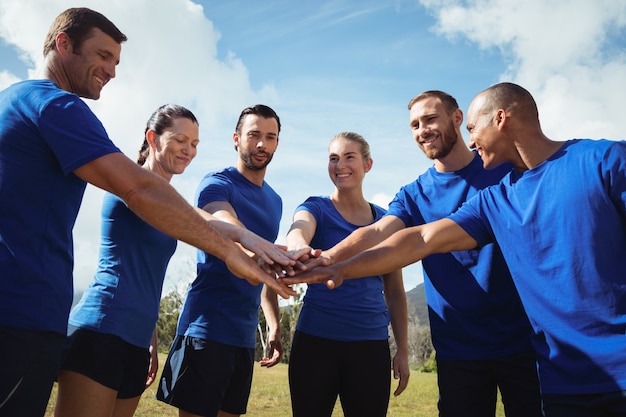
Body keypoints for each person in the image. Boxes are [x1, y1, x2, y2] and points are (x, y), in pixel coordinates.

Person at [0, 8, 294, 417]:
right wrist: (231, 251)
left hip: (109, 333)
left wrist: (249, 241)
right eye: (103, 56)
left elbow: (184, 216)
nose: (112, 71)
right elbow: (141, 191)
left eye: (117, 61)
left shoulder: (16, 101)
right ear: (63, 44)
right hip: (37, 316)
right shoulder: (56, 108)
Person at [285, 82, 626, 417]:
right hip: (477, 355)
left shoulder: (557, 167)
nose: (422, 130)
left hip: (530, 348)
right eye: (414, 125)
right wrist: (334, 261)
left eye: (431, 120)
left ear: (483, 119)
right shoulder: (479, 197)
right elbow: (413, 239)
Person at [156, 104, 288, 417]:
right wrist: (261, 248)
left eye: (270, 137)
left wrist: (273, 326)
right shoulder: (217, 183)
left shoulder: (275, 200)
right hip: (206, 329)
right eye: (254, 135)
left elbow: (263, 270)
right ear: (236, 138)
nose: (261, 144)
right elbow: (225, 223)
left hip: (243, 338)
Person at [285, 132, 409, 417]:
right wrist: (298, 246)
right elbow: (300, 227)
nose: (340, 165)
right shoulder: (316, 207)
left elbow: (394, 291)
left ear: (368, 164)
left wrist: (402, 349)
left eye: (349, 157)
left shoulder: (386, 221)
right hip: (315, 343)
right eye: (333, 159)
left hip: (370, 348)